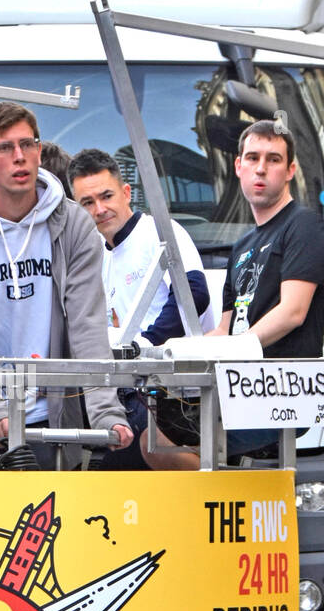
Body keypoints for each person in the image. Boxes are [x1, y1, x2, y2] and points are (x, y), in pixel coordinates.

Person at [0, 102, 130, 465]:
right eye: (5, 148)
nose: (20, 157)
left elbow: (88, 329)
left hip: (51, 427)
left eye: (28, 144)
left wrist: (105, 412)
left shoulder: (75, 226)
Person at [68, 147, 215, 470]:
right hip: (123, 391)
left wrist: (145, 344)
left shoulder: (160, 232)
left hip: (173, 397)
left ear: (126, 192)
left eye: (107, 196)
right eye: (88, 203)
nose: (100, 209)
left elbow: (194, 294)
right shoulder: (95, 254)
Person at [210, 119, 324, 455]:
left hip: (279, 396)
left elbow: (292, 312)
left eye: (273, 159)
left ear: (290, 170)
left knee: (160, 443)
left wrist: (234, 351)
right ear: (238, 166)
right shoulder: (241, 247)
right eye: (252, 158)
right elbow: (225, 328)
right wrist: (168, 351)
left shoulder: (305, 226)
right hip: (237, 391)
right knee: (148, 430)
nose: (261, 169)